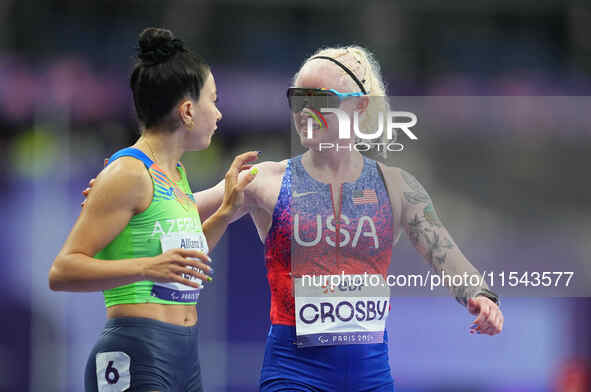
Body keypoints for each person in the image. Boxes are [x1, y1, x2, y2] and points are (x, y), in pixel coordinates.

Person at [83, 45, 503, 391]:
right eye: (296, 101)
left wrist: (481, 296)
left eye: (317, 101)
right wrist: (125, 192)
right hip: (292, 375)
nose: (304, 113)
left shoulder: (398, 187)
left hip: (371, 377)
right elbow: (178, 208)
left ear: (357, 107)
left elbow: (444, 252)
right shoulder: (264, 181)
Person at [50, 27, 259, 392]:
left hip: (182, 355)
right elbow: (62, 271)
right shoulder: (127, 172)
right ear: (188, 111)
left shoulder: (174, 176)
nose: (220, 113)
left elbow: (182, 266)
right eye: (214, 100)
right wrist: (148, 267)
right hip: (135, 351)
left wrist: (225, 213)